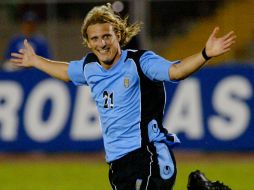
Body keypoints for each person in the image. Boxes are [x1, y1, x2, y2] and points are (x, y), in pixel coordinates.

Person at [10, 3, 236, 190]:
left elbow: (176, 71)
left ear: (118, 35)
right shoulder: (90, 66)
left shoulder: (140, 62)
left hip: (149, 156)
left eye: (107, 36)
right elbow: (67, 73)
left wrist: (205, 54)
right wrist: (35, 61)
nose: (102, 43)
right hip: (117, 164)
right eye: (95, 39)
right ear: (88, 43)